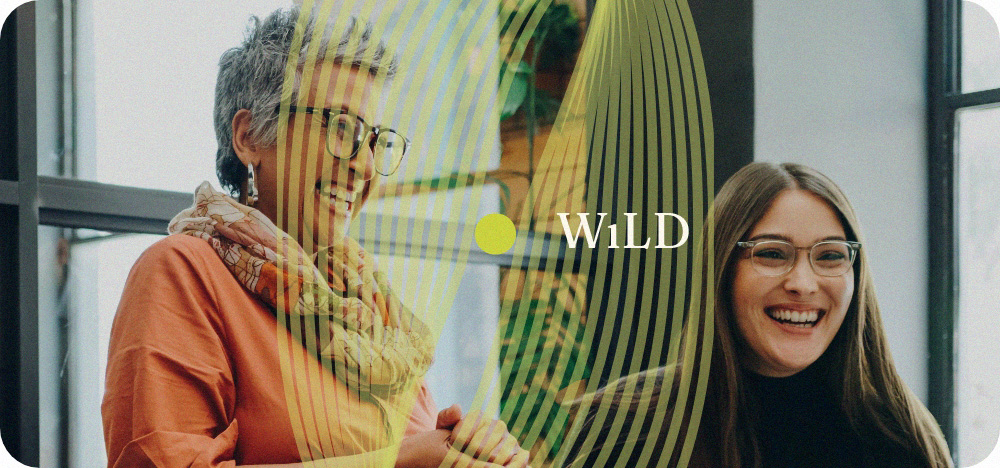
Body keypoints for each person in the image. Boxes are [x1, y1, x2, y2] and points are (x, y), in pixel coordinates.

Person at [101, 7, 528, 468]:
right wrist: (401, 462)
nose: (364, 166)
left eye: (375, 141)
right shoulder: (183, 274)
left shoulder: (372, 312)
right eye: (341, 128)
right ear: (249, 136)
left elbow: (415, 451)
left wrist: (471, 447)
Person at [564, 162, 952, 467]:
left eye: (831, 255)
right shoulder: (624, 426)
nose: (803, 283)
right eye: (771, 253)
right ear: (722, 269)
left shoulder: (900, 435)